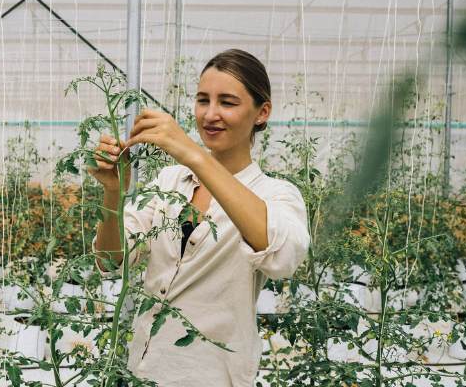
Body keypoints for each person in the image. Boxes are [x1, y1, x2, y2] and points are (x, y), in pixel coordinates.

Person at [90, 49, 310, 386]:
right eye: (203, 100)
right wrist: (113, 194)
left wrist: (193, 154)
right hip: (145, 370)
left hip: (213, 376)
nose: (210, 114)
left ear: (262, 112)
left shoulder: (275, 195)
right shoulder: (169, 182)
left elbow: (282, 257)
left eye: (228, 102)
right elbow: (110, 258)